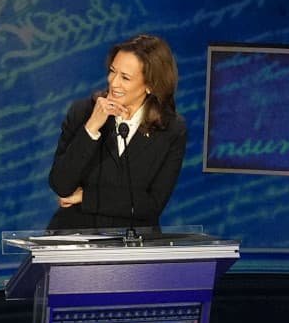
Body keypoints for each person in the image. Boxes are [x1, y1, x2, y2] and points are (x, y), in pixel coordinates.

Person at [47, 34, 187, 231]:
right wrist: (91, 128)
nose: (113, 83)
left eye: (125, 78)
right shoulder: (83, 112)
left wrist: (86, 197)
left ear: (151, 85)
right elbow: (61, 185)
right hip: (75, 238)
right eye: (112, 72)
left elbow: (151, 204)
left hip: (133, 247)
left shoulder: (171, 129)